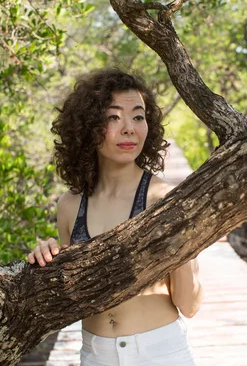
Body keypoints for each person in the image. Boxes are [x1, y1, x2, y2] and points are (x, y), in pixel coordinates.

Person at [28, 68, 204, 366]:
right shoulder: (70, 206)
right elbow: (75, 300)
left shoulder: (164, 199)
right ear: (88, 126)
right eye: (113, 117)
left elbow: (189, 305)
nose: (129, 129)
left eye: (138, 116)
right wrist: (45, 261)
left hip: (159, 355)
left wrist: (182, 248)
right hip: (95, 356)